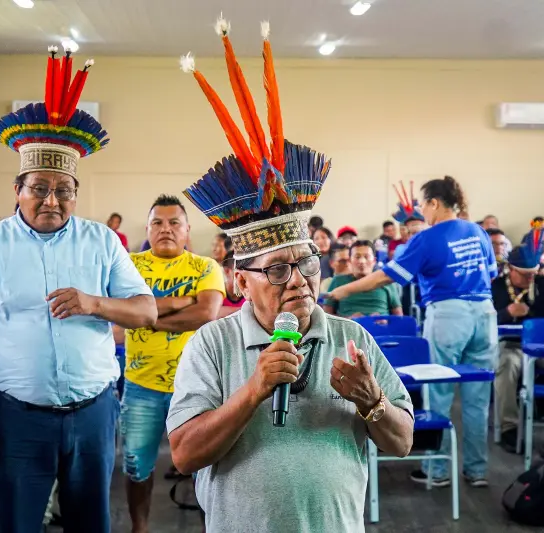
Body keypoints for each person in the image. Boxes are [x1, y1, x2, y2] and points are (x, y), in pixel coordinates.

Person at [171, 21, 414, 533]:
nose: (299, 279)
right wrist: (254, 389)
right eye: (278, 269)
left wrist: (373, 403)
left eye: (306, 263)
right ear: (242, 282)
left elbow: (402, 441)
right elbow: (186, 455)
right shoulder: (211, 345)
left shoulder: (352, 339)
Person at [0, 48, 157, 533]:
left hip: (94, 413)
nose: (52, 200)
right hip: (17, 418)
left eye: (64, 189)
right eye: (39, 187)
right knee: (17, 523)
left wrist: (93, 303)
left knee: (90, 523)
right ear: (17, 188)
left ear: (76, 193)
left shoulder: (101, 240)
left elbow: (146, 313)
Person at [328, 175, 498, 487]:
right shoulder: (478, 232)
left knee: (439, 391)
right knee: (478, 398)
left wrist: (342, 291)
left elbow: (384, 277)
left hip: (449, 314)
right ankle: (477, 471)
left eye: (423, 205)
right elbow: (492, 274)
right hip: (486, 314)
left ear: (434, 203)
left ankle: (438, 471)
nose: (421, 212)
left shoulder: (429, 238)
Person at [122, 194, 223, 533]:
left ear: (187, 230)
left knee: (206, 469)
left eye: (174, 222)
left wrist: (145, 315)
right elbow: (122, 311)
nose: (165, 229)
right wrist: (185, 299)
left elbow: (206, 314)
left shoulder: (206, 267)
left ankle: (211, 527)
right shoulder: (128, 265)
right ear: (148, 228)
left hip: (197, 387)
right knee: (136, 467)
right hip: (141, 385)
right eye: (157, 222)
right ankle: (140, 528)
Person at [492, 242, 544, 452]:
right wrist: (507, 312)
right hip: (511, 344)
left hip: (543, 345)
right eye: (524, 275)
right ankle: (509, 427)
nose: (530, 278)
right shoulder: (497, 286)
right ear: (511, 269)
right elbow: (485, 321)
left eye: (533, 273)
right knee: (505, 367)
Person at [324, 240, 402, 318]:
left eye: (366, 257)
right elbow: (326, 315)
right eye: (357, 257)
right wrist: (348, 320)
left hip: (381, 328)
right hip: (347, 328)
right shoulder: (338, 281)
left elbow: (399, 317)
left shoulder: (386, 281)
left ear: (374, 261)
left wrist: (386, 322)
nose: (362, 261)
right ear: (350, 261)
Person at [219, 251, 245, 318]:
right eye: (240, 269)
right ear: (227, 271)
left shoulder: (250, 290)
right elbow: (213, 313)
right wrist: (246, 311)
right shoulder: (218, 292)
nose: (244, 273)